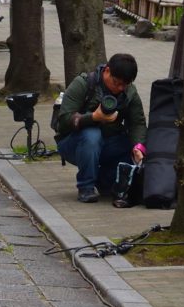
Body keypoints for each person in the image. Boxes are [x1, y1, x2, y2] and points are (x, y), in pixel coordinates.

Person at [53, 54, 145, 204]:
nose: (119, 88)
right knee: (92, 134)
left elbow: (138, 124)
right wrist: (94, 117)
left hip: (108, 143)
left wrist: (139, 147)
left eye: (124, 85)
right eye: (116, 83)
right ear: (107, 71)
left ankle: (105, 180)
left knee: (132, 145)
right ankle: (86, 188)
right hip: (72, 143)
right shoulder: (83, 84)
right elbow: (63, 120)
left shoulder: (129, 93)